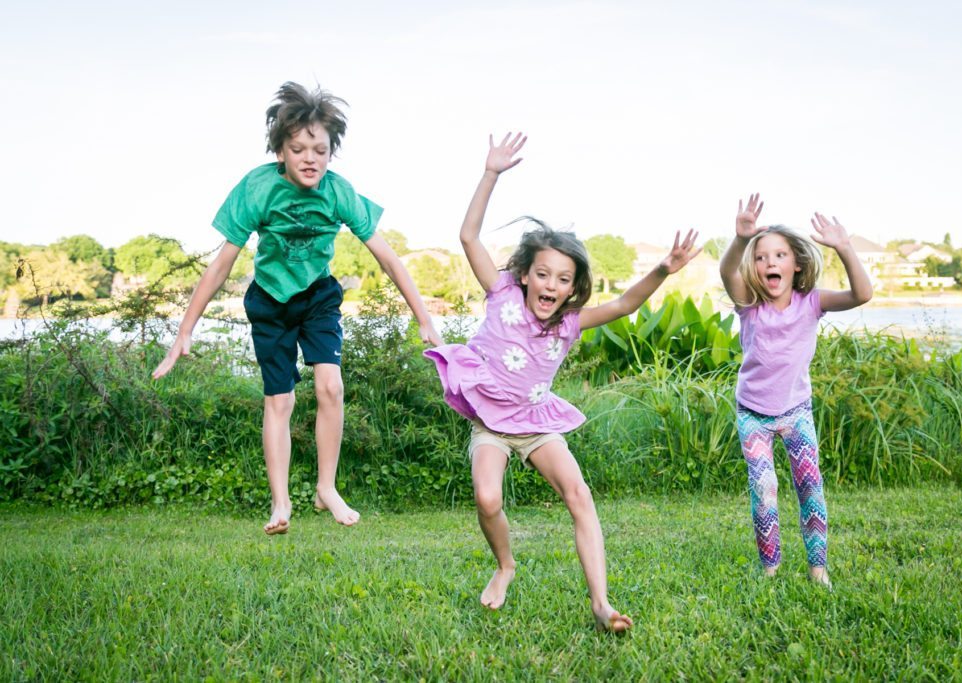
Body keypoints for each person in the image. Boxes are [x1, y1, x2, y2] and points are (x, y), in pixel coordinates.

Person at [425, 132, 701, 632]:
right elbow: (468, 237)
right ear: (526, 275)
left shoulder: (570, 323)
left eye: (564, 279)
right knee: (487, 498)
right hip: (490, 421)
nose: (552, 286)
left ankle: (601, 603)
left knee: (579, 494)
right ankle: (505, 566)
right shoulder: (502, 293)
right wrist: (490, 173)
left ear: (573, 288)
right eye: (544, 274)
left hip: (535, 421)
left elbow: (623, 305)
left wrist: (662, 269)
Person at [152, 82, 441, 535]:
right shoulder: (258, 188)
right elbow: (221, 265)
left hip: (318, 296)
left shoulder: (338, 192)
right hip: (269, 299)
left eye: (320, 150)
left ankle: (327, 487)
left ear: (331, 153)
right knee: (280, 400)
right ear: (281, 151)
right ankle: (281, 503)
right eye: (298, 148)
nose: (310, 158)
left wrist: (423, 317)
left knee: (330, 387)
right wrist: (185, 330)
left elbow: (386, 256)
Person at [719, 193, 873, 588]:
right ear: (754, 267)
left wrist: (844, 246)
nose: (770, 262)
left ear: (797, 264)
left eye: (780, 255)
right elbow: (727, 274)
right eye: (761, 256)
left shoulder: (812, 303)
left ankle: (818, 568)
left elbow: (862, 294)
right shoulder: (749, 305)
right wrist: (740, 240)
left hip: (796, 412)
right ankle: (770, 567)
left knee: (810, 487)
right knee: (764, 489)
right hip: (753, 413)